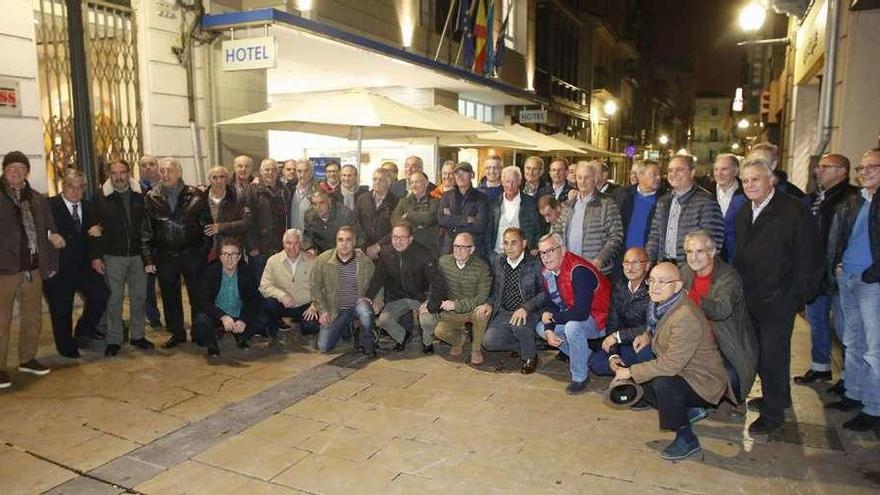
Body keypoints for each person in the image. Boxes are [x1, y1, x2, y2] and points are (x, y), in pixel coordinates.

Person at [734, 159, 822, 436]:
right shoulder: (744, 211)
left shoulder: (794, 211)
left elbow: (810, 255)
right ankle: (777, 396)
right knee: (761, 352)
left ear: (771, 180)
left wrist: (796, 296)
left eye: (755, 179)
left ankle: (773, 415)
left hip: (779, 298)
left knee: (773, 354)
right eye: (745, 181)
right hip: (752, 296)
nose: (749, 185)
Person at [613, 262, 731, 461]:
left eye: (662, 282)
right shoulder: (663, 304)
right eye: (651, 281)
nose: (654, 287)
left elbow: (670, 365)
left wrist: (630, 372)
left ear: (677, 286)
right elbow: (663, 333)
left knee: (663, 383)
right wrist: (646, 336)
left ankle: (687, 438)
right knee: (646, 363)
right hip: (686, 369)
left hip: (703, 380)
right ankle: (689, 409)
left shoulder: (685, 316)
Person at [824, 149, 880, 431]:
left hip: (872, 283)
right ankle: (855, 394)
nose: (866, 171)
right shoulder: (855, 201)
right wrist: (837, 264)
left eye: (873, 167)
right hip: (848, 278)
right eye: (862, 167)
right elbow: (841, 235)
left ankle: (874, 408)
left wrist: (874, 273)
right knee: (851, 341)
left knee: (874, 349)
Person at [795, 153, 858, 388]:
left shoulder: (852, 198)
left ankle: (849, 376)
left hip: (839, 273)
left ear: (841, 171)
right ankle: (820, 366)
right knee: (817, 319)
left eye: (825, 167)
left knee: (845, 328)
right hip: (816, 272)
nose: (818, 171)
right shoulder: (814, 198)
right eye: (818, 166)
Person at [0, 151, 62, 387]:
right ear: (5, 171)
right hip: (4, 270)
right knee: (1, 321)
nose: (16, 172)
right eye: (11, 168)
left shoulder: (37, 198)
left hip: (33, 268)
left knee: (32, 318)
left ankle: (27, 358)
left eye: (20, 168)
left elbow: (50, 231)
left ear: (27, 172)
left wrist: (52, 262)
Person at [680, 231, 758, 406]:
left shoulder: (729, 277)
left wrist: (693, 297)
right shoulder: (685, 271)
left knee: (730, 382)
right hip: (694, 337)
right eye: (689, 252)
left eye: (699, 251)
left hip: (725, 342)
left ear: (713, 252)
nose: (693, 257)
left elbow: (721, 310)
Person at [142, 157, 211, 349]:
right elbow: (146, 230)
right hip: (165, 256)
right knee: (169, 297)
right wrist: (148, 257)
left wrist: (203, 252)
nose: (165, 174)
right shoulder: (151, 197)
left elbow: (207, 226)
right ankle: (177, 333)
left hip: (192, 254)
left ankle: (199, 331)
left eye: (169, 170)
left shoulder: (196, 195)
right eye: (162, 171)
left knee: (197, 296)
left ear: (178, 172)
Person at [91, 160, 155, 356]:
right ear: (108, 175)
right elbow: (93, 228)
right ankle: (114, 339)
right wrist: (96, 256)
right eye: (114, 173)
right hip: (112, 256)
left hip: (137, 255)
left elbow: (149, 225)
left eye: (122, 172)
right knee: (114, 299)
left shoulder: (141, 195)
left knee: (139, 297)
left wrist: (149, 256)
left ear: (129, 173)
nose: (118, 177)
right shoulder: (100, 196)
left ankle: (138, 336)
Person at [44, 168, 109, 358]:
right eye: (70, 186)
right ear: (63, 186)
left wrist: (100, 230)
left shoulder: (89, 206)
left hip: (84, 265)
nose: (75, 191)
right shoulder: (49, 205)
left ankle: (83, 330)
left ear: (85, 189)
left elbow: (98, 228)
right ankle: (65, 346)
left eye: (80, 187)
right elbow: (38, 227)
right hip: (59, 267)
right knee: (61, 308)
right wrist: (50, 235)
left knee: (101, 295)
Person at [535, 233, 611, 394]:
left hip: (599, 319)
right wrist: (549, 327)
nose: (546, 257)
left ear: (562, 250)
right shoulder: (548, 272)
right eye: (542, 253)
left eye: (550, 251)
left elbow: (581, 313)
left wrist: (553, 318)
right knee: (541, 329)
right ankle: (587, 357)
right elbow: (551, 304)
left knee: (572, 327)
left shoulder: (578, 270)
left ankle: (580, 377)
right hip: (573, 315)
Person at [367, 223, 446, 353]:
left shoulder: (423, 254)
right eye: (395, 237)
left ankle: (427, 341)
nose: (398, 241)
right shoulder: (386, 253)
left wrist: (430, 302)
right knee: (383, 320)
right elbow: (378, 278)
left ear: (410, 239)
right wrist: (368, 296)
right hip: (398, 297)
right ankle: (403, 337)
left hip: (421, 298)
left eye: (403, 238)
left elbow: (437, 281)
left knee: (427, 321)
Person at [482, 228, 546, 373]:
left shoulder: (534, 264)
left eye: (513, 243)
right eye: (505, 243)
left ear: (523, 244)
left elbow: (544, 293)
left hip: (527, 311)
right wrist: (489, 303)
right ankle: (527, 343)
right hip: (504, 311)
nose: (509, 247)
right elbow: (495, 291)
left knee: (519, 326)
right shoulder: (499, 262)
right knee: (488, 342)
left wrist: (526, 307)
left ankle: (530, 356)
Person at [423, 232, 491, 364]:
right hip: (451, 310)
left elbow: (482, 296)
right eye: (455, 246)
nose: (458, 250)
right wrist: (430, 301)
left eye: (463, 247)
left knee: (483, 313)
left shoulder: (482, 267)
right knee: (439, 331)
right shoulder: (444, 262)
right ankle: (459, 340)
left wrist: (456, 305)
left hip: (472, 308)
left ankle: (476, 350)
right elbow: (435, 284)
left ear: (471, 250)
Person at [310, 226, 378, 356]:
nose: (344, 244)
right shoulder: (324, 260)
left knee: (365, 311)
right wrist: (322, 310)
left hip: (358, 304)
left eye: (348, 240)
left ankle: (367, 342)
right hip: (334, 310)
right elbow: (315, 286)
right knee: (324, 347)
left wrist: (378, 301)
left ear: (354, 242)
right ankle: (347, 328)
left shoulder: (364, 262)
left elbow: (377, 283)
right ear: (336, 241)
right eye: (340, 240)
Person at [192, 238, 263, 357]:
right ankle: (212, 344)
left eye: (233, 254)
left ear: (239, 256)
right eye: (225, 254)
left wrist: (244, 319)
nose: (229, 258)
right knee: (201, 320)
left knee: (262, 316)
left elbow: (254, 299)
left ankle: (241, 336)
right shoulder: (210, 272)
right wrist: (222, 316)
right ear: (220, 256)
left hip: (238, 314)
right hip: (217, 315)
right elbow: (203, 301)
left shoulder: (246, 272)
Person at [646, 154, 724, 263]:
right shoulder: (664, 201)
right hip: (664, 266)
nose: (674, 174)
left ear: (692, 172)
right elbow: (655, 236)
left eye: (679, 170)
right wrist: (649, 261)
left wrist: (694, 269)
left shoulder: (706, 201)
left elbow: (714, 242)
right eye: (670, 170)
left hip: (692, 268)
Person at [594, 248, 652, 375]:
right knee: (596, 363)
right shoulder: (619, 286)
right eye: (626, 262)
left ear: (647, 265)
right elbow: (613, 323)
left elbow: (653, 327)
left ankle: (632, 374)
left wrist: (618, 337)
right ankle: (626, 372)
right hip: (624, 343)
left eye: (635, 263)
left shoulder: (654, 288)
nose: (630, 267)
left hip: (645, 342)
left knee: (645, 354)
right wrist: (613, 354)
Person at [561, 161, 623, 276]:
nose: (582, 181)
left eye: (587, 178)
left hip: (596, 269)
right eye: (579, 177)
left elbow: (616, 236)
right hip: (570, 267)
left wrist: (600, 259)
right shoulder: (568, 204)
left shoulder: (607, 203)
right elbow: (557, 232)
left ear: (595, 179)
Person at [259, 229, 319, 338]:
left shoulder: (312, 261)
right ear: (283, 244)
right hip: (282, 305)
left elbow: (321, 287)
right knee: (268, 303)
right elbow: (264, 286)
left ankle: (299, 321)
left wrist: (314, 306)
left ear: (301, 245)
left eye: (296, 243)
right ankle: (274, 326)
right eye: (289, 243)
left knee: (310, 328)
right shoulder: (273, 261)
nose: (292, 247)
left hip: (305, 306)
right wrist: (281, 296)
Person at [488, 166, 543, 262]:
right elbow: (488, 231)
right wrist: (490, 253)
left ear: (520, 182)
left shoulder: (530, 203)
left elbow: (538, 228)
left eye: (514, 181)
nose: (510, 185)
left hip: (523, 257)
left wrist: (534, 247)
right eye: (507, 181)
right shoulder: (494, 204)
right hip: (497, 255)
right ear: (502, 182)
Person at [247, 158, 289, 280]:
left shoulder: (284, 190)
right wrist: (251, 246)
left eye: (274, 169)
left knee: (279, 282)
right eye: (267, 169)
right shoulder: (252, 190)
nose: (270, 172)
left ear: (278, 171)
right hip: (260, 247)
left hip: (280, 247)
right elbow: (247, 221)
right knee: (261, 284)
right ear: (260, 171)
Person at [438, 162, 490, 256]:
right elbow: (442, 219)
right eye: (457, 173)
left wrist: (453, 224)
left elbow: (480, 225)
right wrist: (466, 219)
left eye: (464, 173)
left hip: (472, 248)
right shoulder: (446, 196)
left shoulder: (481, 197)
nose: (460, 176)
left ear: (472, 175)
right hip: (449, 248)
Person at [138, 155, 163, 329]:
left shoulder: (167, 188)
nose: (148, 168)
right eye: (144, 165)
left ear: (157, 167)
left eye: (151, 164)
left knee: (169, 284)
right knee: (147, 286)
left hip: (165, 244)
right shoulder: (134, 191)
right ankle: (152, 317)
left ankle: (173, 318)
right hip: (146, 244)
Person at [392, 171, 440, 256]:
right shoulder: (403, 201)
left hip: (427, 247)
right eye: (411, 183)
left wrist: (407, 216)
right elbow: (394, 219)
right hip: (407, 247)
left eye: (417, 182)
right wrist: (417, 223)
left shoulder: (435, 202)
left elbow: (427, 219)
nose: (414, 185)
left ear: (426, 183)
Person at [204, 166, 250, 255]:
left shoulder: (238, 198)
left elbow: (246, 223)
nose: (218, 181)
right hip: (208, 251)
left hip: (232, 251)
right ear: (209, 179)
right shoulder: (201, 199)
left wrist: (221, 227)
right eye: (214, 177)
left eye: (222, 177)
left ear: (227, 179)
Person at [302, 189, 363, 255]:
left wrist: (358, 248)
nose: (318, 207)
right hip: (320, 255)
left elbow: (359, 235)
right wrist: (309, 248)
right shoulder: (309, 216)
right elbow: (308, 235)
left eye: (321, 203)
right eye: (314, 204)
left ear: (329, 201)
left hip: (343, 253)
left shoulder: (345, 214)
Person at [711, 154, 747, 263]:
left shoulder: (748, 194)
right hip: (711, 257)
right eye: (716, 169)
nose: (719, 173)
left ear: (736, 171)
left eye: (724, 169)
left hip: (739, 257)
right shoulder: (705, 193)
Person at [356, 168, 399, 260]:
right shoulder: (362, 199)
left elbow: (397, 229)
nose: (377, 182)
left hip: (386, 251)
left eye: (381, 180)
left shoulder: (396, 202)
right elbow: (356, 223)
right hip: (363, 250)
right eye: (375, 179)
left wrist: (378, 246)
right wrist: (362, 245)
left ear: (389, 183)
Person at [620, 160, 661, 250]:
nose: (659, 178)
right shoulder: (624, 195)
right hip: (623, 254)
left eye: (659, 174)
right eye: (654, 174)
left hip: (649, 255)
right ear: (640, 175)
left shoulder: (664, 200)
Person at [290, 158, 319, 230]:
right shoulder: (289, 190)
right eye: (299, 171)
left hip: (311, 237)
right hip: (294, 237)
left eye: (306, 171)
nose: (302, 174)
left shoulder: (317, 191)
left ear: (311, 172)